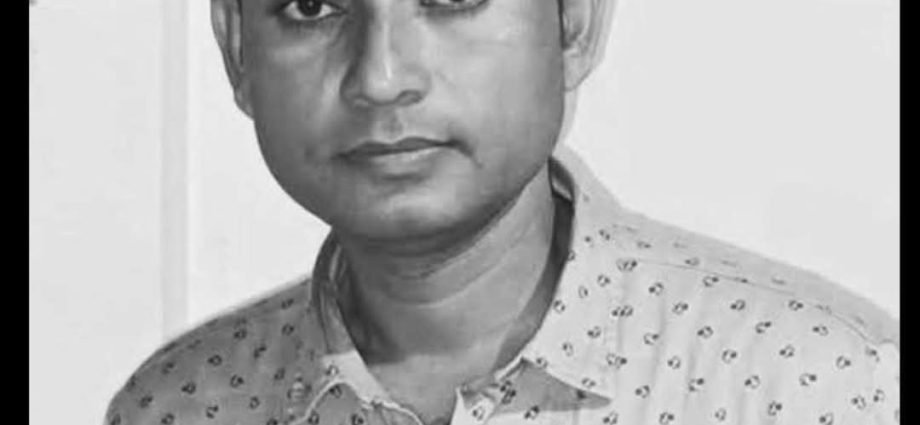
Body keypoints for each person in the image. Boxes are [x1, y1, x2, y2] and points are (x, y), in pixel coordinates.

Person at [105, 0, 899, 424]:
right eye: (313, 6)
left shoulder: (819, 391)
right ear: (236, 48)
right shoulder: (177, 408)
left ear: (572, 23)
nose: (381, 77)